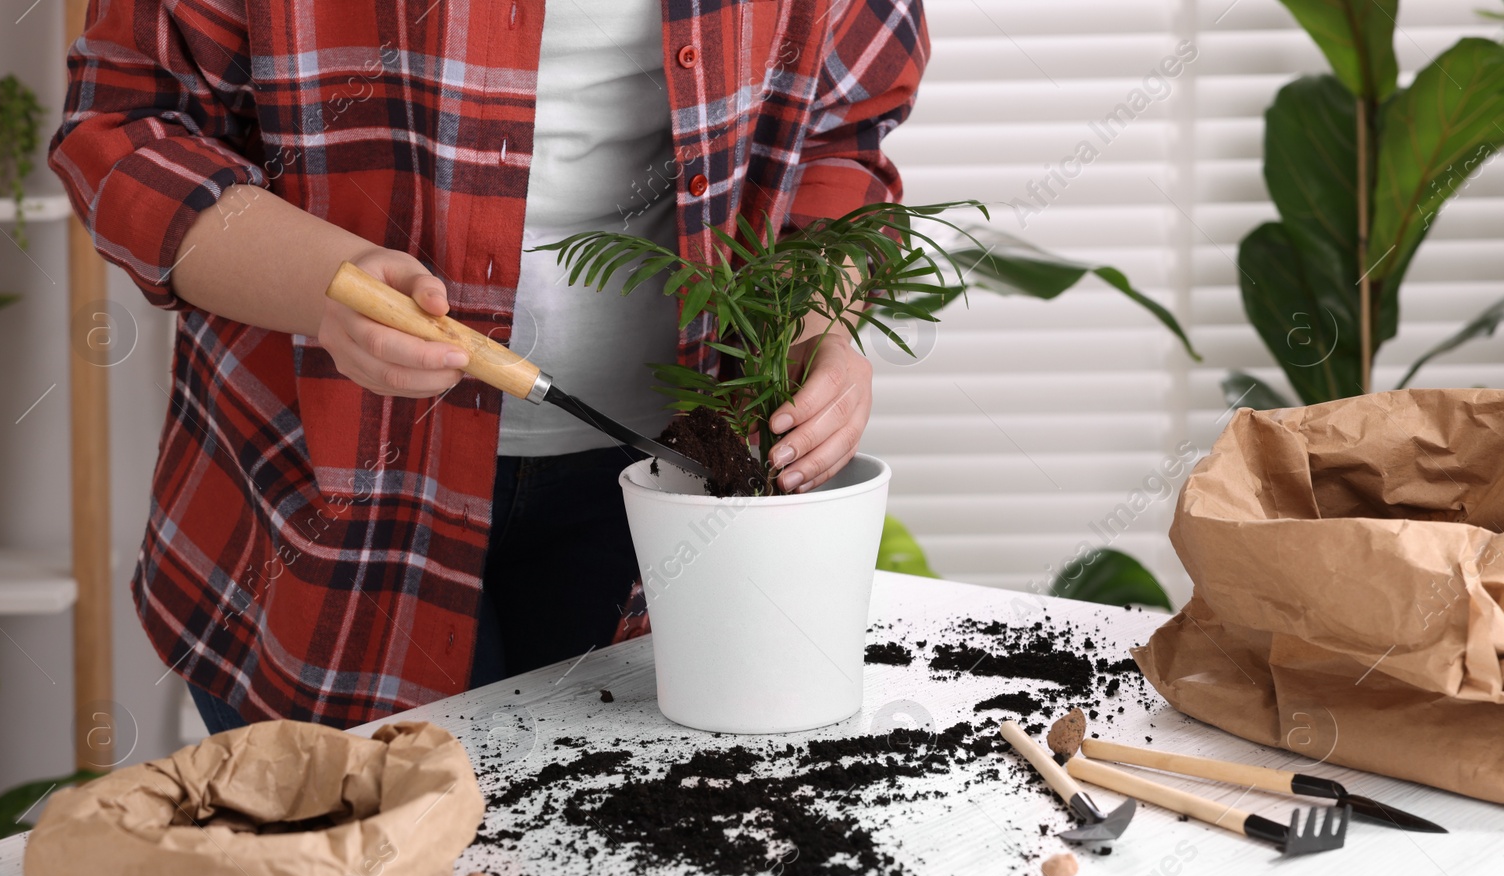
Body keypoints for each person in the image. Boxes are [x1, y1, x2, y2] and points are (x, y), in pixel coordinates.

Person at [51, 0, 926, 732]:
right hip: (321, 502)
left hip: (672, 502)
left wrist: (821, 324)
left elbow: (839, 136)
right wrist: (325, 285)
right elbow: (126, 130)